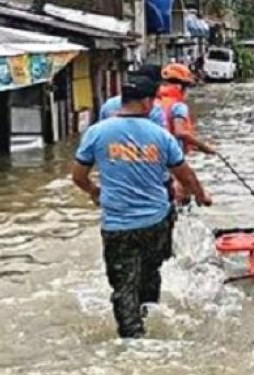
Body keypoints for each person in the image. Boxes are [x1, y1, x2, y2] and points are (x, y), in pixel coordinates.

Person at [72, 78, 212, 339]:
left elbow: (78, 176)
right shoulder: (161, 135)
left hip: (117, 225)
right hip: (156, 222)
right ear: (147, 102)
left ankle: (131, 338)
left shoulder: (97, 132)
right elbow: (186, 176)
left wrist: (95, 193)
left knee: (123, 286)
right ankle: (150, 317)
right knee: (151, 274)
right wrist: (202, 196)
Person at [158, 64, 217, 156]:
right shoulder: (178, 106)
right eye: (187, 87)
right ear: (180, 87)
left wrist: (194, 147)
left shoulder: (154, 102)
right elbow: (179, 132)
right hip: (172, 158)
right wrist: (204, 147)